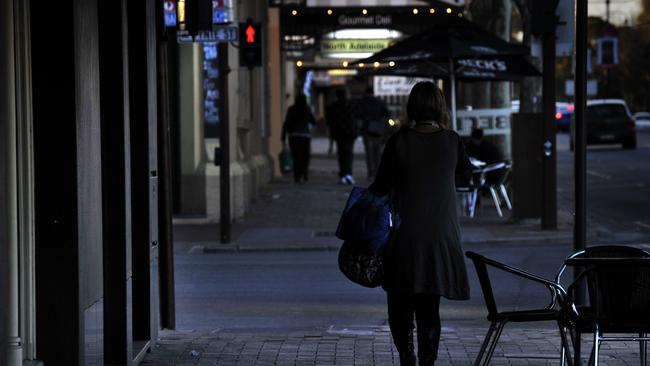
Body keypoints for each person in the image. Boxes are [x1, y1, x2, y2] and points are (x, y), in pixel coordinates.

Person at [369, 81, 473, 366]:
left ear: (412, 106)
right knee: (430, 305)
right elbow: (467, 175)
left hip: (405, 235)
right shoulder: (452, 140)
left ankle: (407, 355)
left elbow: (380, 186)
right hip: (442, 235)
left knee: (400, 302)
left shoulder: (399, 141)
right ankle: (428, 360)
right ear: (440, 107)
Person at [326, 89, 358, 185]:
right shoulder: (350, 106)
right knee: (348, 154)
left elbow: (330, 122)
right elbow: (354, 120)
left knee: (342, 154)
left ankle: (344, 174)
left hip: (340, 134)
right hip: (349, 134)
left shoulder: (333, 107)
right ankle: (348, 174)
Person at [281, 93, 316, 183]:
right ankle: (304, 172)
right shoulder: (306, 109)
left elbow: (286, 123)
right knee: (305, 156)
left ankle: (297, 175)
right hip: (305, 136)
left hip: (294, 136)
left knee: (296, 156)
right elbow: (313, 121)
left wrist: (283, 137)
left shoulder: (291, 109)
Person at [358, 86, 390, 180]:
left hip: (367, 130)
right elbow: (386, 114)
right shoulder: (379, 102)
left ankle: (370, 173)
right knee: (378, 153)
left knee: (369, 153)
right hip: (378, 130)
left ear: (366, 92)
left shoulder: (362, 102)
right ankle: (377, 173)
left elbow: (358, 115)